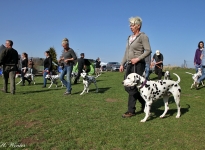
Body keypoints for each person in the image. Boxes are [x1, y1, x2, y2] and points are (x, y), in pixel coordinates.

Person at [119, 16, 151, 118]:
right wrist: (122, 63)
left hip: (138, 65)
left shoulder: (143, 36)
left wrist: (137, 59)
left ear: (138, 26)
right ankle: (144, 101)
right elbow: (126, 52)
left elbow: (148, 50)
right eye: (130, 25)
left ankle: (131, 111)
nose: (130, 27)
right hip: (129, 64)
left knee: (132, 86)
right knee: (126, 85)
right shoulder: (129, 38)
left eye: (132, 25)